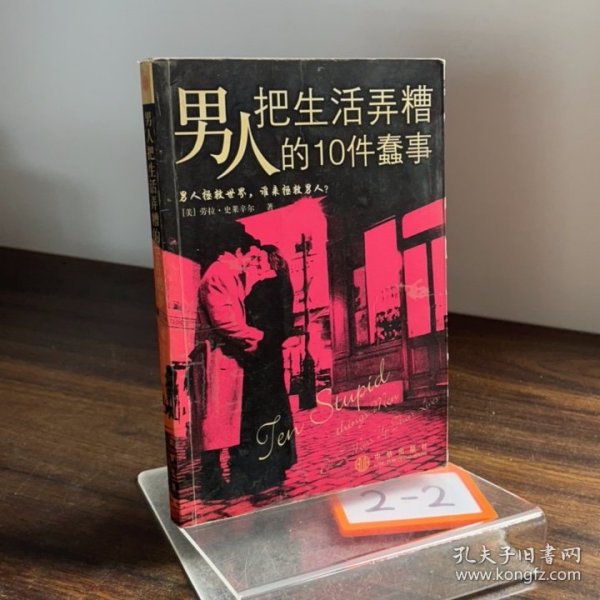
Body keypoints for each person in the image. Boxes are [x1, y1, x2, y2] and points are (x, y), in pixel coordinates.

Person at [187, 225, 264, 501]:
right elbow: (225, 322)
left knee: (222, 422)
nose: (250, 261)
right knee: (215, 423)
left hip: (225, 357)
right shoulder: (218, 275)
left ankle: (220, 480)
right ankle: (212, 484)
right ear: (237, 251)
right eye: (249, 256)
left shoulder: (226, 275)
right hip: (217, 357)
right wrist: (258, 337)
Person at [229, 245, 297, 495]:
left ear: (271, 261)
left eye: (259, 258)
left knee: (260, 413)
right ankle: (275, 466)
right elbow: (284, 326)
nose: (254, 261)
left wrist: (259, 343)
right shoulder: (279, 284)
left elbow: (276, 326)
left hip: (261, 358)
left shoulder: (266, 286)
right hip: (270, 356)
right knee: (273, 410)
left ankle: (262, 470)